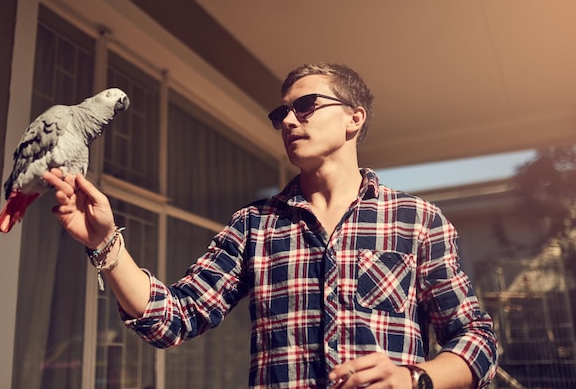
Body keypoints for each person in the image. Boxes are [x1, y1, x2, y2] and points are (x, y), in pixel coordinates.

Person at [44, 62, 498, 389]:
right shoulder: (254, 226)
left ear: (353, 119)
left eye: (306, 106)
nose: (288, 120)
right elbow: (175, 318)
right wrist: (107, 242)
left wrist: (414, 379)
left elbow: (476, 338)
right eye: (280, 114)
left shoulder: (417, 220)